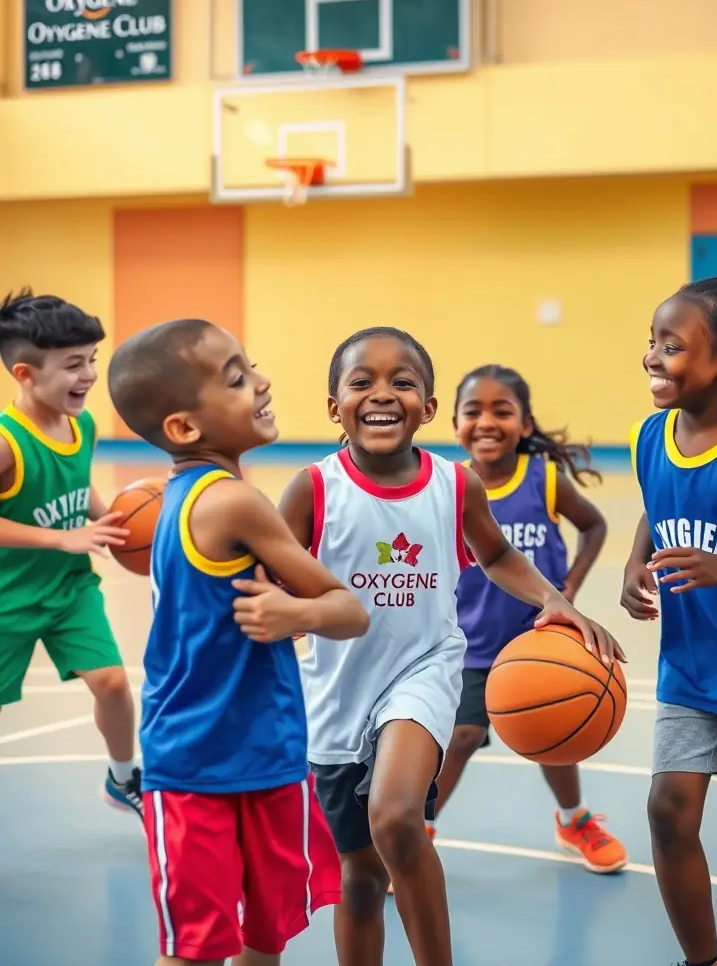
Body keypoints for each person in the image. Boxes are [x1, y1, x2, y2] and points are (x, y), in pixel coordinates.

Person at [269, 326, 625, 966]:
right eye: (362, 382)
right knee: (359, 881)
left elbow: (496, 554)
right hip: (336, 692)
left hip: (424, 671)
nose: (383, 393)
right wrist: (289, 610)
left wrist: (555, 599)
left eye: (402, 381)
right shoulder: (311, 490)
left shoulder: (454, 486)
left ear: (427, 408)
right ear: (333, 408)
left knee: (398, 815)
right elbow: (273, 580)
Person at [107, 319, 368, 966]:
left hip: (252, 753)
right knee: (233, 944)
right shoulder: (231, 503)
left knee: (240, 940)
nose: (262, 380)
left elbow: (344, 613)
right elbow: (348, 610)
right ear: (185, 429)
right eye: (236, 376)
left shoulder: (183, 495)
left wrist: (287, 613)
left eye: (249, 366)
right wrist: (294, 613)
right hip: (203, 762)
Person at [620, 251, 717, 966]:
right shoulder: (652, 437)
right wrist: (631, 559)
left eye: (672, 345)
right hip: (688, 670)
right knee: (667, 815)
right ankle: (703, 960)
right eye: (652, 338)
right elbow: (657, 506)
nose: (652, 354)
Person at [426, 363, 627, 873]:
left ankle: (573, 819)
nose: (487, 422)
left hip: (540, 638)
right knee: (462, 735)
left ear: (526, 424)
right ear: (454, 423)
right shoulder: (449, 487)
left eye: (502, 411)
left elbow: (595, 525)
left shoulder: (544, 479)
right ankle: (421, 829)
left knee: (554, 730)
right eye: (473, 411)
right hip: (472, 641)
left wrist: (572, 585)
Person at [0, 289, 141, 815]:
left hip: (67, 589)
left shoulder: (81, 424)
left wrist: (101, 517)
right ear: (25, 374)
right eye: (73, 365)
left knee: (111, 683)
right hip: (8, 598)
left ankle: (123, 779)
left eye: (92, 362)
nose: (87, 376)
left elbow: (75, 486)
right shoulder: (8, 442)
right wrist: (62, 536)